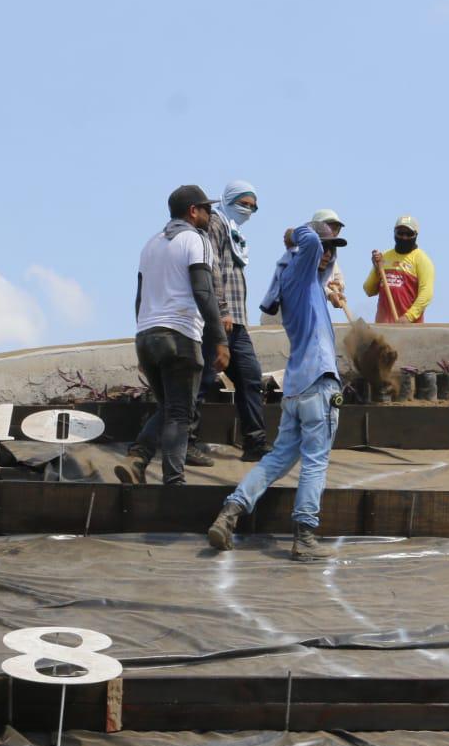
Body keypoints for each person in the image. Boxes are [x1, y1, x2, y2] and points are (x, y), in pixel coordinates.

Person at [208, 221, 348, 561]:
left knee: (278, 458)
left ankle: (230, 513)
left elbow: (315, 259)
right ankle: (304, 537)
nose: (329, 254)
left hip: (297, 388)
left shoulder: (296, 281)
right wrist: (295, 233)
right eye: (326, 249)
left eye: (334, 250)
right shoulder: (302, 266)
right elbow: (310, 240)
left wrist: (328, 282)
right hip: (319, 384)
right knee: (315, 462)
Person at [116, 186, 229, 486]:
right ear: (193, 211)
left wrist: (142, 344)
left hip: (147, 337)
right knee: (180, 413)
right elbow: (204, 292)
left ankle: (138, 458)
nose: (210, 214)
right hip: (180, 336)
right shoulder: (197, 240)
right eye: (206, 209)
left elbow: (139, 299)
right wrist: (220, 339)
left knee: (168, 408)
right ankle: (174, 483)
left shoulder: (150, 245)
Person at [190, 180, 266, 463]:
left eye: (252, 207)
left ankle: (255, 443)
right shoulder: (217, 224)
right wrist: (221, 310)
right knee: (203, 381)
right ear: (228, 199)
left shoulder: (235, 233)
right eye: (243, 204)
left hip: (238, 322)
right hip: (219, 319)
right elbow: (212, 267)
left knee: (250, 378)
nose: (247, 210)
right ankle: (187, 442)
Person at [261, 208, 348, 322]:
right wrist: (330, 294)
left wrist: (339, 286)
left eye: (336, 228)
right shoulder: (300, 254)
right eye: (328, 226)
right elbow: (309, 282)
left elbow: (336, 278)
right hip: (280, 320)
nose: (332, 231)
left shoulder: (329, 257)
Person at [363, 215, 434, 323]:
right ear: (394, 233)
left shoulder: (422, 260)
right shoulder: (384, 257)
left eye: (409, 234)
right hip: (383, 328)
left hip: (410, 329)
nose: (404, 237)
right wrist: (377, 270)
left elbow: (426, 294)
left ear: (416, 235)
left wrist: (408, 317)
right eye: (400, 233)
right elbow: (369, 290)